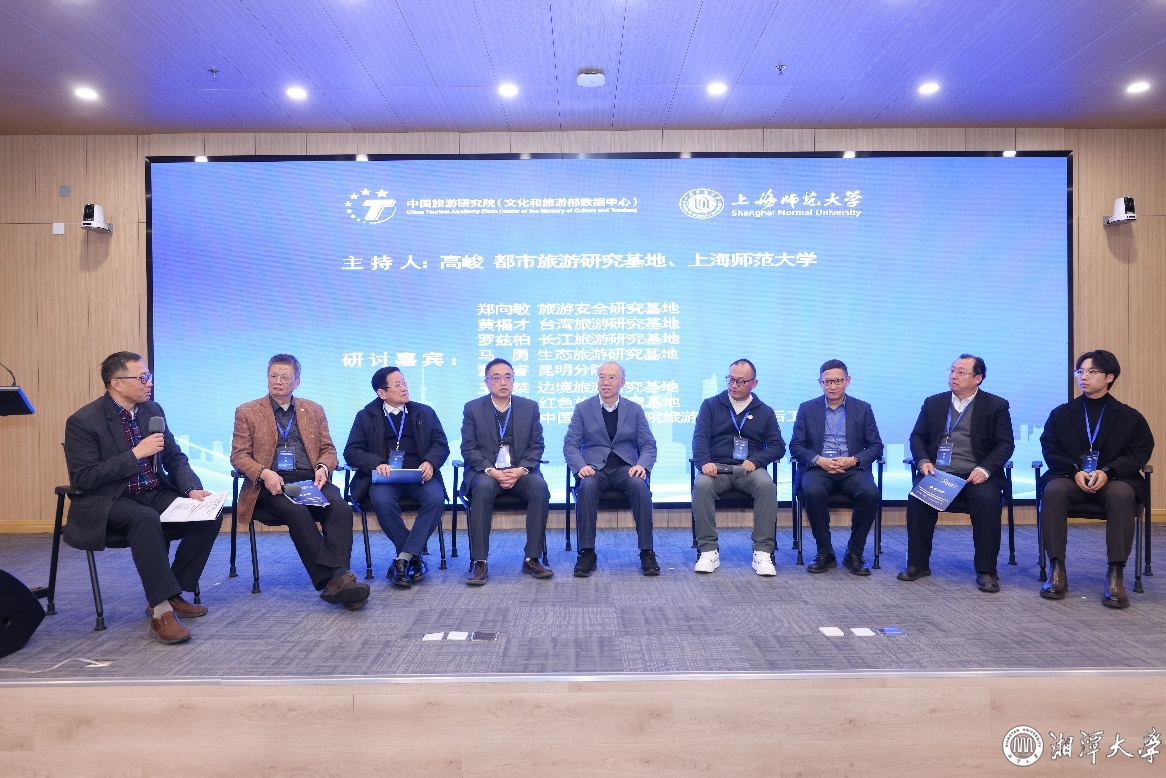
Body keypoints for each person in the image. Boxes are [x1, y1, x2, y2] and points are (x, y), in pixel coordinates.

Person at [63, 351, 221, 645]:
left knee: (209, 513)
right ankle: (162, 612)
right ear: (116, 383)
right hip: (112, 499)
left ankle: (172, 591)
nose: (149, 383)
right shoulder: (84, 421)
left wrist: (191, 489)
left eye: (148, 377)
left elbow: (174, 457)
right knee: (145, 519)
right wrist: (135, 454)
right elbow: (84, 478)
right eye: (142, 378)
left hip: (154, 491)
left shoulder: (152, 410)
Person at [230, 354, 369, 610]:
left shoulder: (313, 410)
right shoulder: (247, 411)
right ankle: (335, 580)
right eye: (273, 376)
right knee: (296, 511)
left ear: (297, 382)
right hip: (270, 484)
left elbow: (328, 450)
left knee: (340, 508)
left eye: (285, 377)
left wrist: (323, 466)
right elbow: (239, 456)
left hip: (308, 480)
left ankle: (339, 580)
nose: (278, 381)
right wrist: (263, 473)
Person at [1038, 350, 1154, 608]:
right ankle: (1057, 569)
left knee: (1122, 495)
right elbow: (1050, 448)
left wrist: (1108, 472)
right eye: (1080, 371)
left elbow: (1138, 452)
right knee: (1054, 491)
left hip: (1114, 480)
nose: (1084, 377)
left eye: (1092, 372)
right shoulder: (1062, 413)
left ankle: (1115, 573)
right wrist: (1073, 470)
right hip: (1071, 477)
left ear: (1109, 377)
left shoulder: (1129, 417)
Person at [900, 354, 1014, 592]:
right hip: (939, 473)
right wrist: (923, 461)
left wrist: (984, 469)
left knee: (987, 501)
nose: (954, 376)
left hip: (976, 475)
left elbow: (1005, 444)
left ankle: (986, 570)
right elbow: (917, 437)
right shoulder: (933, 403)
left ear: (978, 378)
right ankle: (918, 564)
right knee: (918, 499)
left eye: (961, 372)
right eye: (952, 370)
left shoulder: (996, 405)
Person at [344, 366, 450, 589]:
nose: (404, 388)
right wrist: (376, 463)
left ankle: (403, 559)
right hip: (386, 478)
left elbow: (441, 444)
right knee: (380, 500)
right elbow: (351, 452)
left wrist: (430, 462)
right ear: (382, 393)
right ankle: (412, 556)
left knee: (436, 498)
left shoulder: (424, 412)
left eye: (404, 383)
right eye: (398, 384)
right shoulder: (366, 416)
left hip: (419, 475)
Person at [460, 358, 553, 585]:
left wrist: (521, 470)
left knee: (540, 487)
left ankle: (532, 558)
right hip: (486, 473)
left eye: (508, 377)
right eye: (496, 377)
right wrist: (491, 471)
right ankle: (479, 561)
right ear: (486, 382)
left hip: (520, 472)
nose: (503, 382)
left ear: (513, 380)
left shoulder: (529, 407)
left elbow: (537, 445)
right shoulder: (473, 408)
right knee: (482, 488)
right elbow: (468, 448)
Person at [563, 362, 659, 577]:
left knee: (640, 486)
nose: (605, 382)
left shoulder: (634, 409)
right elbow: (570, 444)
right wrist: (581, 467)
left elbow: (648, 444)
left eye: (611, 377)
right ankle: (587, 552)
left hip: (626, 468)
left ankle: (647, 551)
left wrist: (642, 465)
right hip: (594, 469)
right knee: (587, 487)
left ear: (622, 382)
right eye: (601, 377)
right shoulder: (583, 408)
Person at [789, 359, 884, 576]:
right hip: (818, 468)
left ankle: (854, 552)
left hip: (852, 468)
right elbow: (796, 446)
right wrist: (818, 459)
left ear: (847, 381)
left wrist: (853, 460)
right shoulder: (807, 408)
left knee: (870, 493)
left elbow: (876, 446)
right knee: (812, 491)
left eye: (838, 381)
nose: (832, 386)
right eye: (827, 382)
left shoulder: (863, 408)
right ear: (820, 383)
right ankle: (825, 552)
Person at [691, 359, 786, 576]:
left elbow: (778, 446)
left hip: (749, 470)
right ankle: (708, 550)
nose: (734, 385)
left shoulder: (765, 411)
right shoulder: (710, 406)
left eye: (741, 381)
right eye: (731, 380)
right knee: (702, 486)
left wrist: (757, 460)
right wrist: (704, 463)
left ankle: (763, 551)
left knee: (766, 486)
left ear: (754, 383)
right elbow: (700, 439)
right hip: (717, 469)